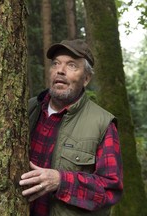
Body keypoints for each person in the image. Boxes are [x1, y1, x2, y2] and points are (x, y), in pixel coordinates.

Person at [19, 39, 123, 215]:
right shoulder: (25, 109)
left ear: (86, 78)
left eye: (72, 65)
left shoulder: (102, 123)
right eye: (56, 63)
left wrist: (61, 181)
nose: (60, 70)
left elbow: (110, 189)